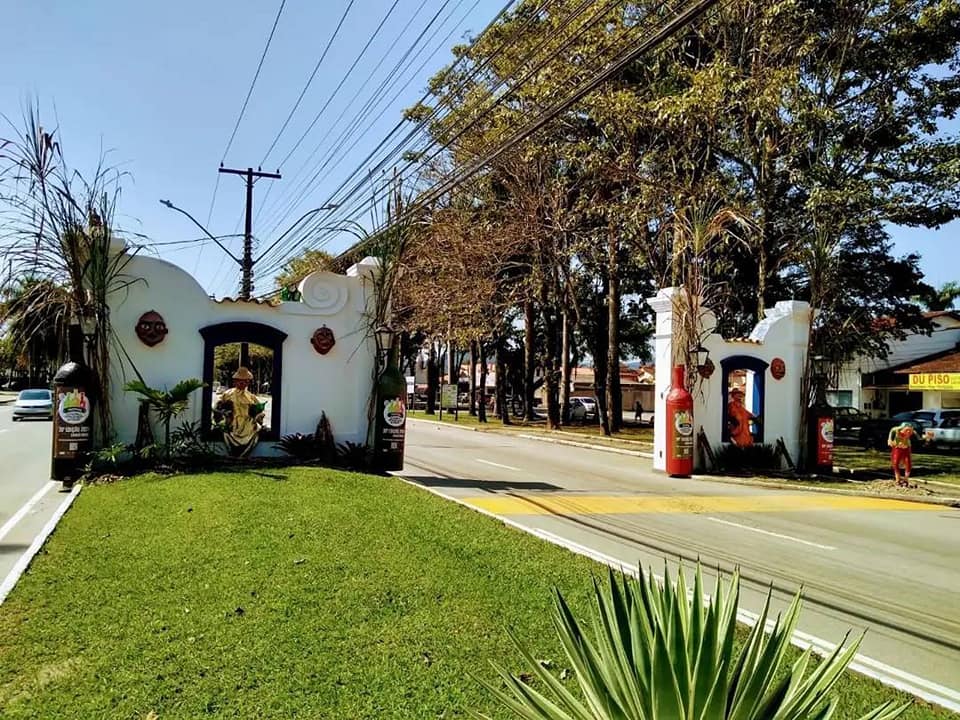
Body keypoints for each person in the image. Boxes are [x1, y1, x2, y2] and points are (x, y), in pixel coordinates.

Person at [214, 367, 265, 457]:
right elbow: (217, 408)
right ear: (235, 382)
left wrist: (258, 415)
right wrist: (223, 415)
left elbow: (259, 411)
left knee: (255, 432)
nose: (243, 383)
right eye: (240, 381)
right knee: (227, 433)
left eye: (245, 381)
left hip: (248, 426)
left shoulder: (251, 396)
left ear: (248, 382)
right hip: (233, 424)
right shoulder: (228, 394)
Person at [887, 421, 916, 486]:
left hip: (906, 448)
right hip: (897, 448)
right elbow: (892, 430)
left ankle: (906, 479)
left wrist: (927, 438)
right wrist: (889, 440)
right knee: (895, 463)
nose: (908, 432)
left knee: (908, 463)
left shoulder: (912, 432)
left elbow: (920, 438)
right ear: (902, 428)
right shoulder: (896, 430)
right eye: (907, 430)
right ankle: (898, 479)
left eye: (910, 430)